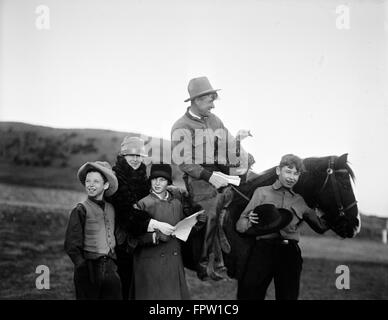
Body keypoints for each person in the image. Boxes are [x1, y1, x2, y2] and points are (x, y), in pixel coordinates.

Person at [171, 76, 255, 280]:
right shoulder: (180, 126)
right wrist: (209, 177)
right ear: (197, 100)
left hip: (221, 171)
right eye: (210, 100)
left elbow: (228, 143)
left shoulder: (215, 121)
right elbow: (184, 162)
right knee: (211, 210)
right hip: (197, 179)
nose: (213, 105)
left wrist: (244, 155)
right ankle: (206, 263)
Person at [236, 154, 330, 300]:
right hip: (262, 251)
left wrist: (328, 209)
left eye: (296, 174)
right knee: (249, 295)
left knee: (288, 297)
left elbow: (321, 227)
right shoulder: (261, 192)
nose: (292, 177)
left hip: (289, 253)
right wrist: (248, 220)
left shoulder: (300, 200)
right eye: (288, 171)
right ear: (279, 171)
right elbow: (240, 227)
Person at [106, 136, 175, 300]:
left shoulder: (143, 178)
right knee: (125, 282)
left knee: (142, 285)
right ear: (123, 156)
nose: (136, 159)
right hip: (121, 239)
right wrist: (155, 223)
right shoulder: (116, 178)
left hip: (142, 238)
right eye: (132, 155)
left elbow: (150, 202)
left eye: (139, 156)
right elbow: (125, 212)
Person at [132, 163, 206, 299]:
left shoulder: (177, 204)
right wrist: (154, 237)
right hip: (150, 265)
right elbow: (132, 238)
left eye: (162, 180)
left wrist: (198, 223)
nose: (157, 183)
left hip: (173, 264)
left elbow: (183, 231)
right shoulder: (142, 204)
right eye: (154, 179)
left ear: (169, 183)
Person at [64, 161, 122, 300]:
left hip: (110, 266)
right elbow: (71, 244)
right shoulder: (80, 209)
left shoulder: (111, 208)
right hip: (89, 267)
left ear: (106, 185)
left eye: (96, 181)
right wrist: (81, 266)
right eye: (88, 181)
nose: (90, 184)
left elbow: (115, 235)